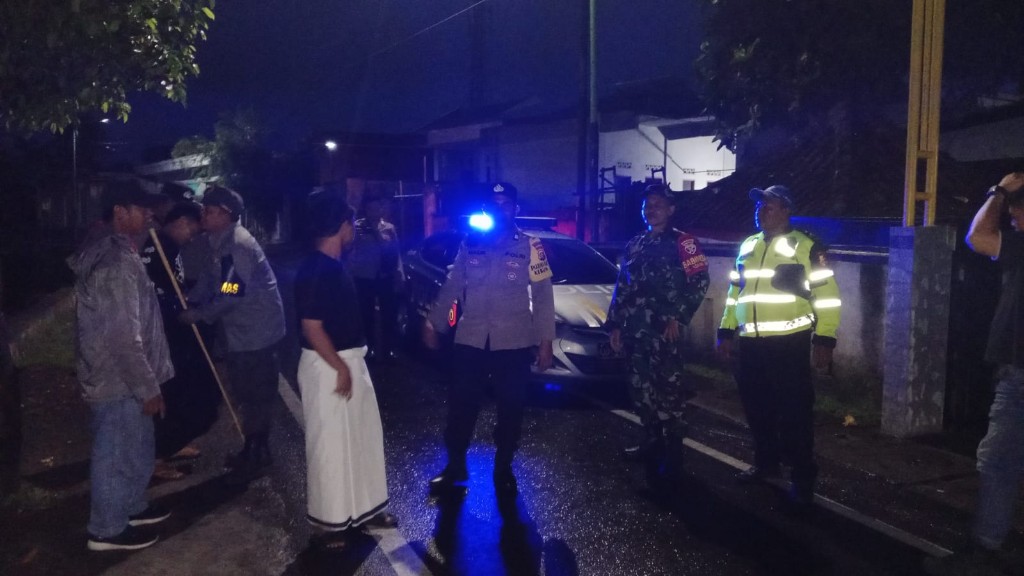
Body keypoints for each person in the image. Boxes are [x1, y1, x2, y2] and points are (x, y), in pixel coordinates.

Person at [423, 182, 556, 495]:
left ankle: (504, 466)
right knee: (461, 406)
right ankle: (455, 465)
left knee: (511, 408)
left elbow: (543, 295)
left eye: (505, 203)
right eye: (494, 203)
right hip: (471, 339)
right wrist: (433, 322)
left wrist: (545, 341)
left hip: (514, 342)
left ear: (515, 209)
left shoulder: (531, 246)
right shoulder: (471, 242)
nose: (500, 208)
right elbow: (453, 285)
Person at [715, 185, 841, 506]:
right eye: (759, 206)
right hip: (750, 344)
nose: (761, 211)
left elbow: (827, 297)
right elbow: (735, 293)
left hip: (789, 344)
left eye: (768, 206)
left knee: (794, 413)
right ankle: (766, 464)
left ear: (786, 210)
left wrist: (825, 338)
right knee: (757, 409)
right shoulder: (748, 245)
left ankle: (802, 478)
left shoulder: (806, 246)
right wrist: (726, 331)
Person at [925, 172, 1024, 576]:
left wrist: (998, 193)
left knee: (999, 461)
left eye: (1018, 210)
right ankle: (988, 544)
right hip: (1015, 374)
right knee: (1000, 460)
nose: (1013, 218)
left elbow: (977, 236)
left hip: (1020, 378)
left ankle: (986, 549)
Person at [68, 180, 174, 551]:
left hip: (127, 374)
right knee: (114, 451)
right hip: (118, 377)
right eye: (142, 209)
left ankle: (131, 505)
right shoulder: (114, 262)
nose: (150, 215)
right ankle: (106, 529)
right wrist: (147, 386)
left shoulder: (121, 250)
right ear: (119, 212)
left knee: (135, 446)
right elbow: (123, 335)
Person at [294, 190, 397, 553]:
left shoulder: (334, 265)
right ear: (342, 226)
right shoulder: (316, 269)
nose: (353, 230)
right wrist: (339, 367)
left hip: (349, 360)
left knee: (362, 437)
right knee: (329, 447)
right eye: (351, 223)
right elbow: (311, 327)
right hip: (327, 365)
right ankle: (328, 523)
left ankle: (367, 509)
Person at [606, 183, 710, 491]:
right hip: (635, 331)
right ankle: (651, 441)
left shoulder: (683, 242)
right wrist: (615, 324)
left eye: (658, 205)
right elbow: (622, 286)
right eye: (647, 205)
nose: (651, 210)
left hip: (664, 332)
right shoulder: (635, 244)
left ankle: (674, 453)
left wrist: (678, 315)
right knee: (640, 389)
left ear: (671, 209)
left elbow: (700, 281)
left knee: (670, 391)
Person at [179, 186, 286, 481]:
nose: (204, 215)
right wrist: (191, 299)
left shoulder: (237, 245)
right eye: (205, 210)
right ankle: (255, 450)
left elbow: (231, 293)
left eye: (210, 211)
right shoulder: (219, 241)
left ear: (227, 215)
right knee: (247, 392)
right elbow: (211, 279)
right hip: (244, 330)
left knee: (255, 394)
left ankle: (256, 452)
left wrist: (197, 314)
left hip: (257, 333)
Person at [140, 202, 219, 480]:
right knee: (181, 392)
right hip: (170, 330)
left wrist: (202, 301)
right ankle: (158, 453)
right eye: (195, 229)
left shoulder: (231, 246)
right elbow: (233, 287)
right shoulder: (162, 246)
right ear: (184, 222)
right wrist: (200, 305)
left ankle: (170, 444)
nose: (194, 237)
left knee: (186, 393)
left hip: (181, 325)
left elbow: (227, 285)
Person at [348, 195, 405, 362]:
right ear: (366, 210)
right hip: (364, 276)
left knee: (389, 313)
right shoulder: (358, 227)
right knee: (366, 314)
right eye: (371, 208)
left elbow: (396, 252)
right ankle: (369, 348)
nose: (375, 211)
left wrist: (399, 273)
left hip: (385, 275)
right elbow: (350, 251)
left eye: (377, 208)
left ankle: (389, 349)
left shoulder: (388, 228)